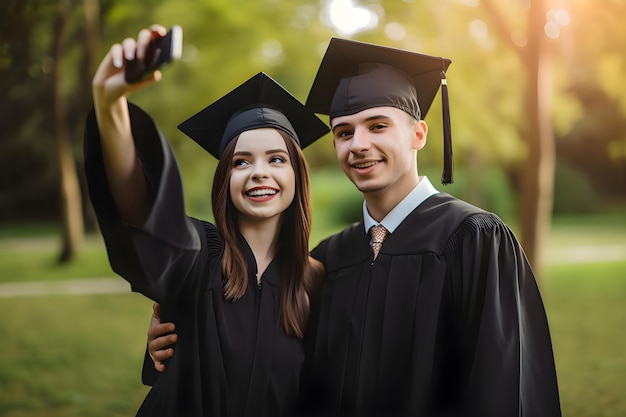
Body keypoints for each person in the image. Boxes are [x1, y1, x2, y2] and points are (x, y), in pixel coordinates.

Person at [146, 37, 562, 417]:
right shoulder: (329, 259)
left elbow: (506, 389)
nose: (358, 144)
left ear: (418, 134)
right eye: (344, 132)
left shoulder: (473, 239)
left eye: (377, 126)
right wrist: (180, 334)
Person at [84, 25, 329, 417]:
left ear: (298, 175)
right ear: (225, 180)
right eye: (241, 161)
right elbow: (140, 209)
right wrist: (110, 104)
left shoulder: (317, 282)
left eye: (276, 159)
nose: (259, 172)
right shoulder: (197, 255)